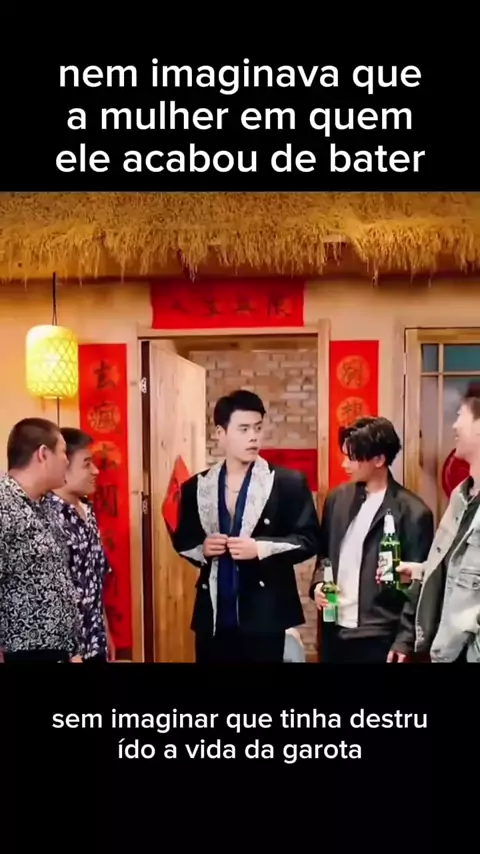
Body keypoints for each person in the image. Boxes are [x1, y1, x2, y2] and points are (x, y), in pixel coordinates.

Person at [170, 389, 321, 663]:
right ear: (221, 433)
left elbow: (309, 540)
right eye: (243, 429)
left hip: (265, 616)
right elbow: (183, 540)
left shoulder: (287, 483)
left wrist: (259, 548)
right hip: (213, 617)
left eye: (258, 428)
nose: (254, 436)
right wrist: (203, 548)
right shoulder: (197, 486)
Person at [310, 416, 434, 663]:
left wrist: (404, 639)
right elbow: (324, 557)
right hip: (334, 631)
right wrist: (318, 586)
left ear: (379, 460)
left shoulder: (413, 512)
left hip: (380, 635)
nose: (345, 464)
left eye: (353, 458)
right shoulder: (337, 500)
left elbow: (419, 587)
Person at [399, 382, 480, 662]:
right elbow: (461, 573)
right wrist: (421, 572)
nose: (454, 426)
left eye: (460, 416)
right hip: (445, 651)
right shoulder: (461, 496)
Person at [0, 418, 82, 662]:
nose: (67, 461)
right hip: (23, 653)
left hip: (58, 651)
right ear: (43, 454)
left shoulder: (46, 505)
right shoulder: (4, 503)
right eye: (63, 452)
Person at [43, 428, 115, 663]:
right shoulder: (47, 516)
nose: (95, 471)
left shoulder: (88, 511)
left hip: (95, 641)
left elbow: (94, 580)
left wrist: (104, 630)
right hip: (66, 650)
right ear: (63, 465)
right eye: (86, 464)